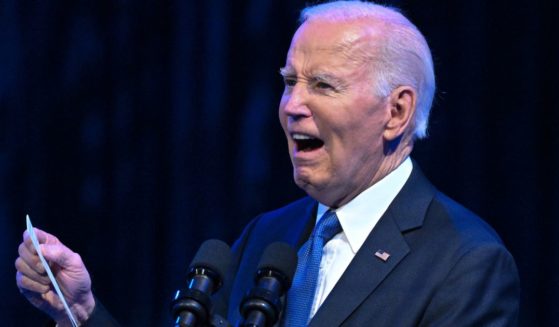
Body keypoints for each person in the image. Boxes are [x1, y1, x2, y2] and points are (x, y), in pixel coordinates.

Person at [15, 1, 520, 326]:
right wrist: (79, 312)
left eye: (323, 85)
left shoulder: (467, 262)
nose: (291, 105)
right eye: (289, 81)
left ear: (397, 111)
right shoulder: (267, 238)